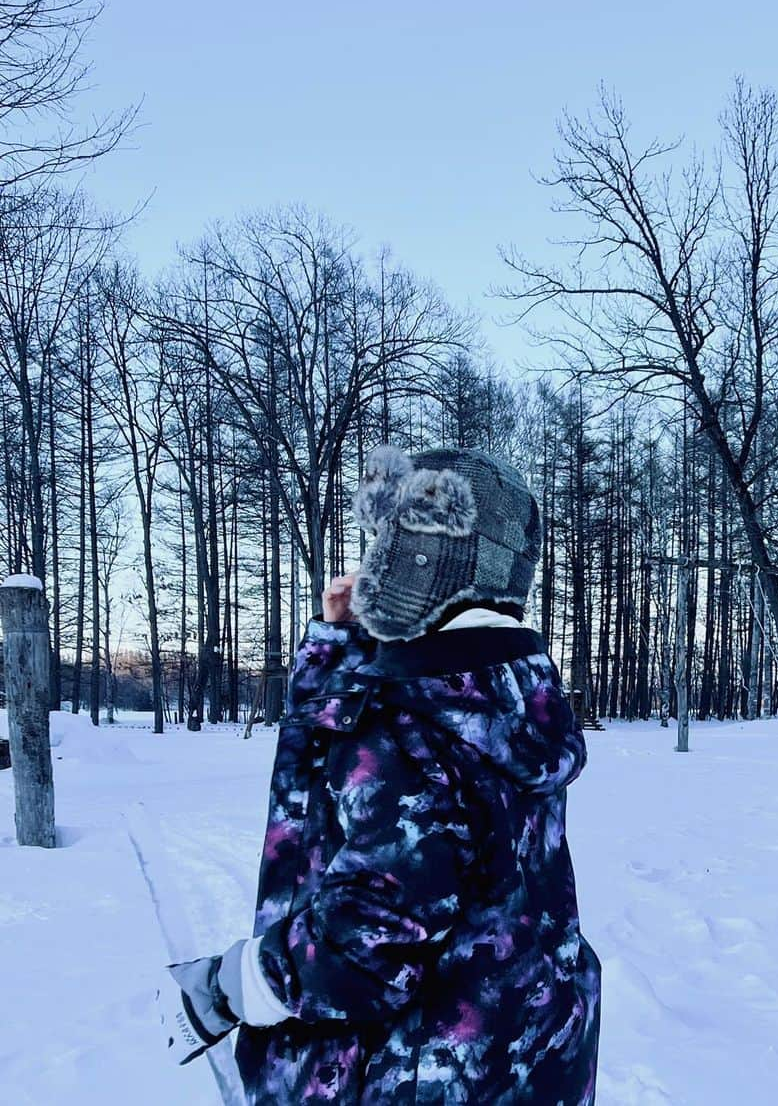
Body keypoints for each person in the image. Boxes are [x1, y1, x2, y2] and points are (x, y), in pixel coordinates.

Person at [161, 445, 601, 1103]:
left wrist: (234, 984)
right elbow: (329, 782)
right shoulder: (506, 698)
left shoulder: (402, 723)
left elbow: (362, 955)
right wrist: (338, 646)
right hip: (521, 1055)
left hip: (410, 1072)